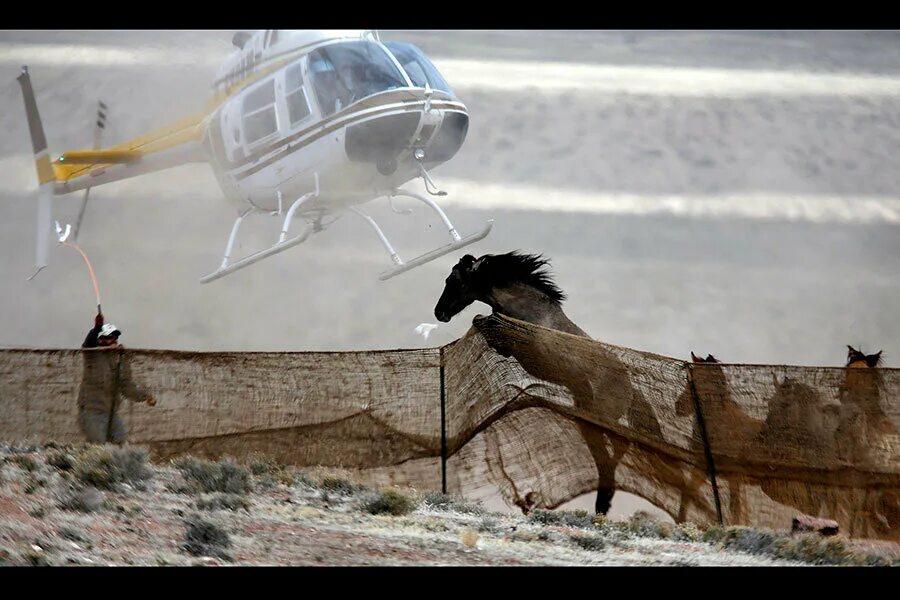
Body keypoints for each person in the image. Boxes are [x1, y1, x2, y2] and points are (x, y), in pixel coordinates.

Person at [78, 309, 155, 444]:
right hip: (92, 413)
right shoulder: (92, 354)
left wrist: (146, 396)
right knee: (98, 448)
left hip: (112, 413)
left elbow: (126, 386)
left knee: (121, 444)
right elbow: (88, 343)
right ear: (100, 339)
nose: (112, 340)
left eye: (114, 337)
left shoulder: (120, 359)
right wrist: (96, 328)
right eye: (107, 337)